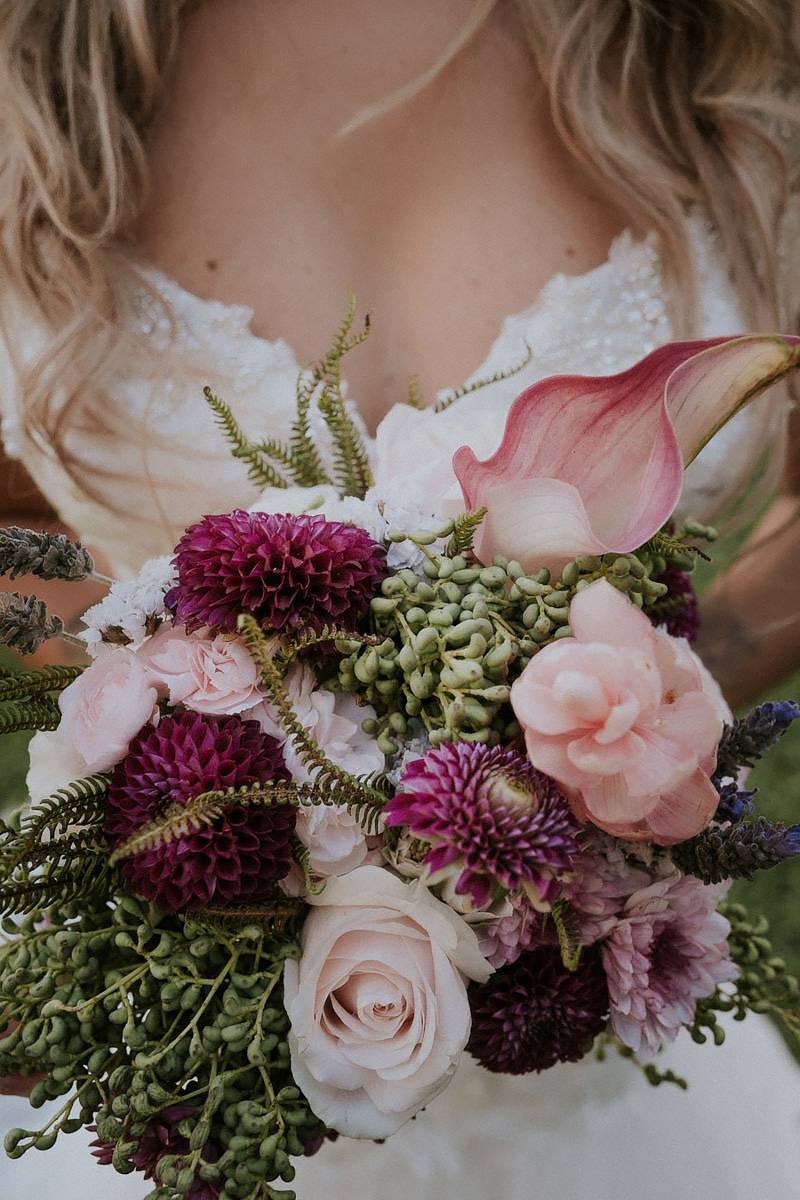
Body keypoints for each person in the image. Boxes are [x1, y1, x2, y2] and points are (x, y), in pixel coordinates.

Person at [0, 2, 799, 1197]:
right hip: (197, 1076)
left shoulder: (711, 46)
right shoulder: (35, 89)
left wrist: (612, 752)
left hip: (604, 1103)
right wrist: (176, 742)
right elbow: (24, 547)